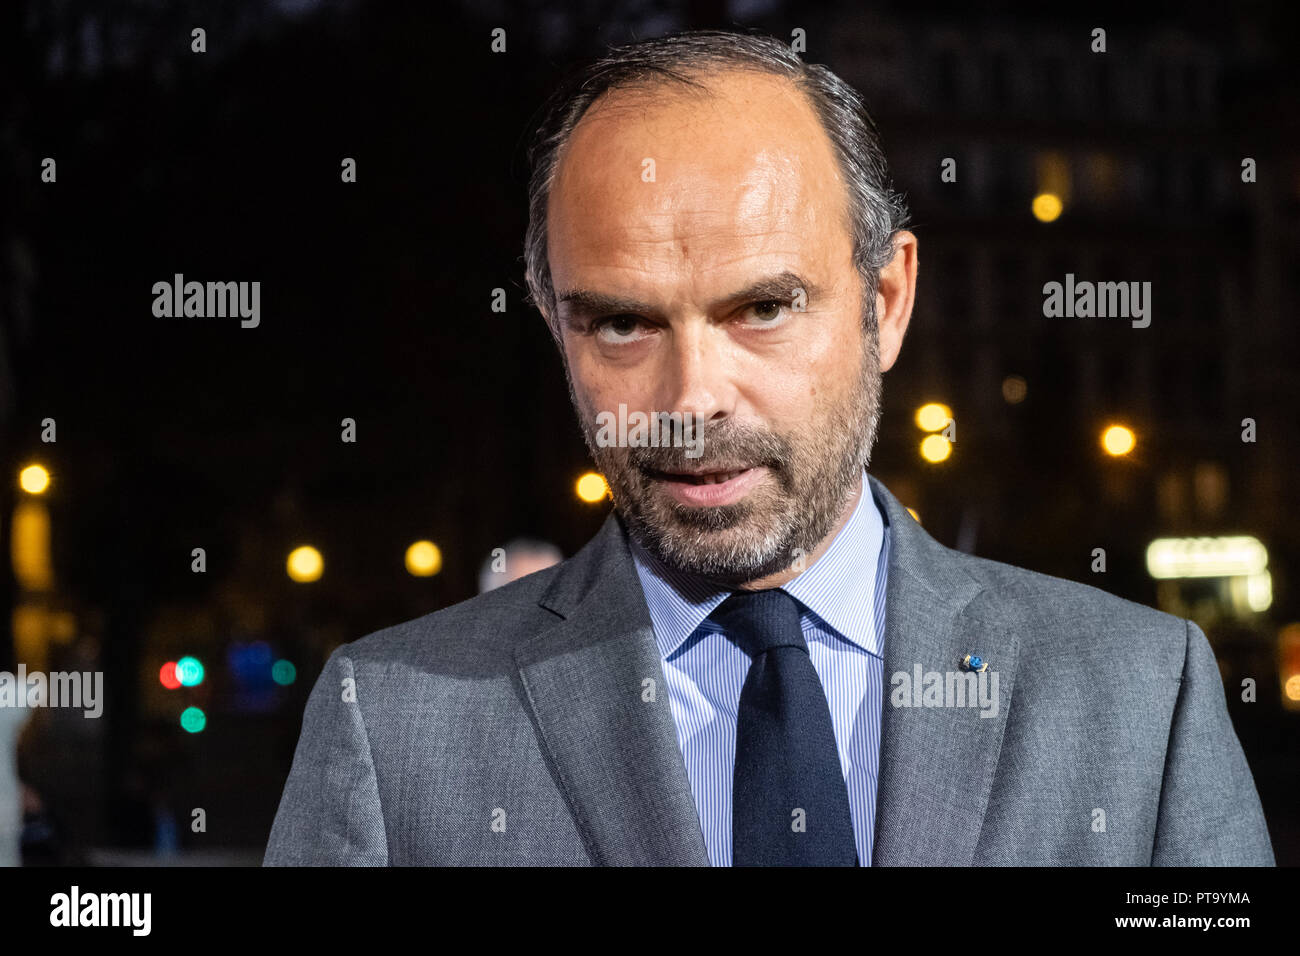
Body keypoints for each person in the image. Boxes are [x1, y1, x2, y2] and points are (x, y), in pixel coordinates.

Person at [265, 29, 1273, 866]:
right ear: (550, 322)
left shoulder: (1143, 696)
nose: (691, 397)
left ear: (886, 300)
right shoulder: (390, 728)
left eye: (760, 307)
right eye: (620, 322)